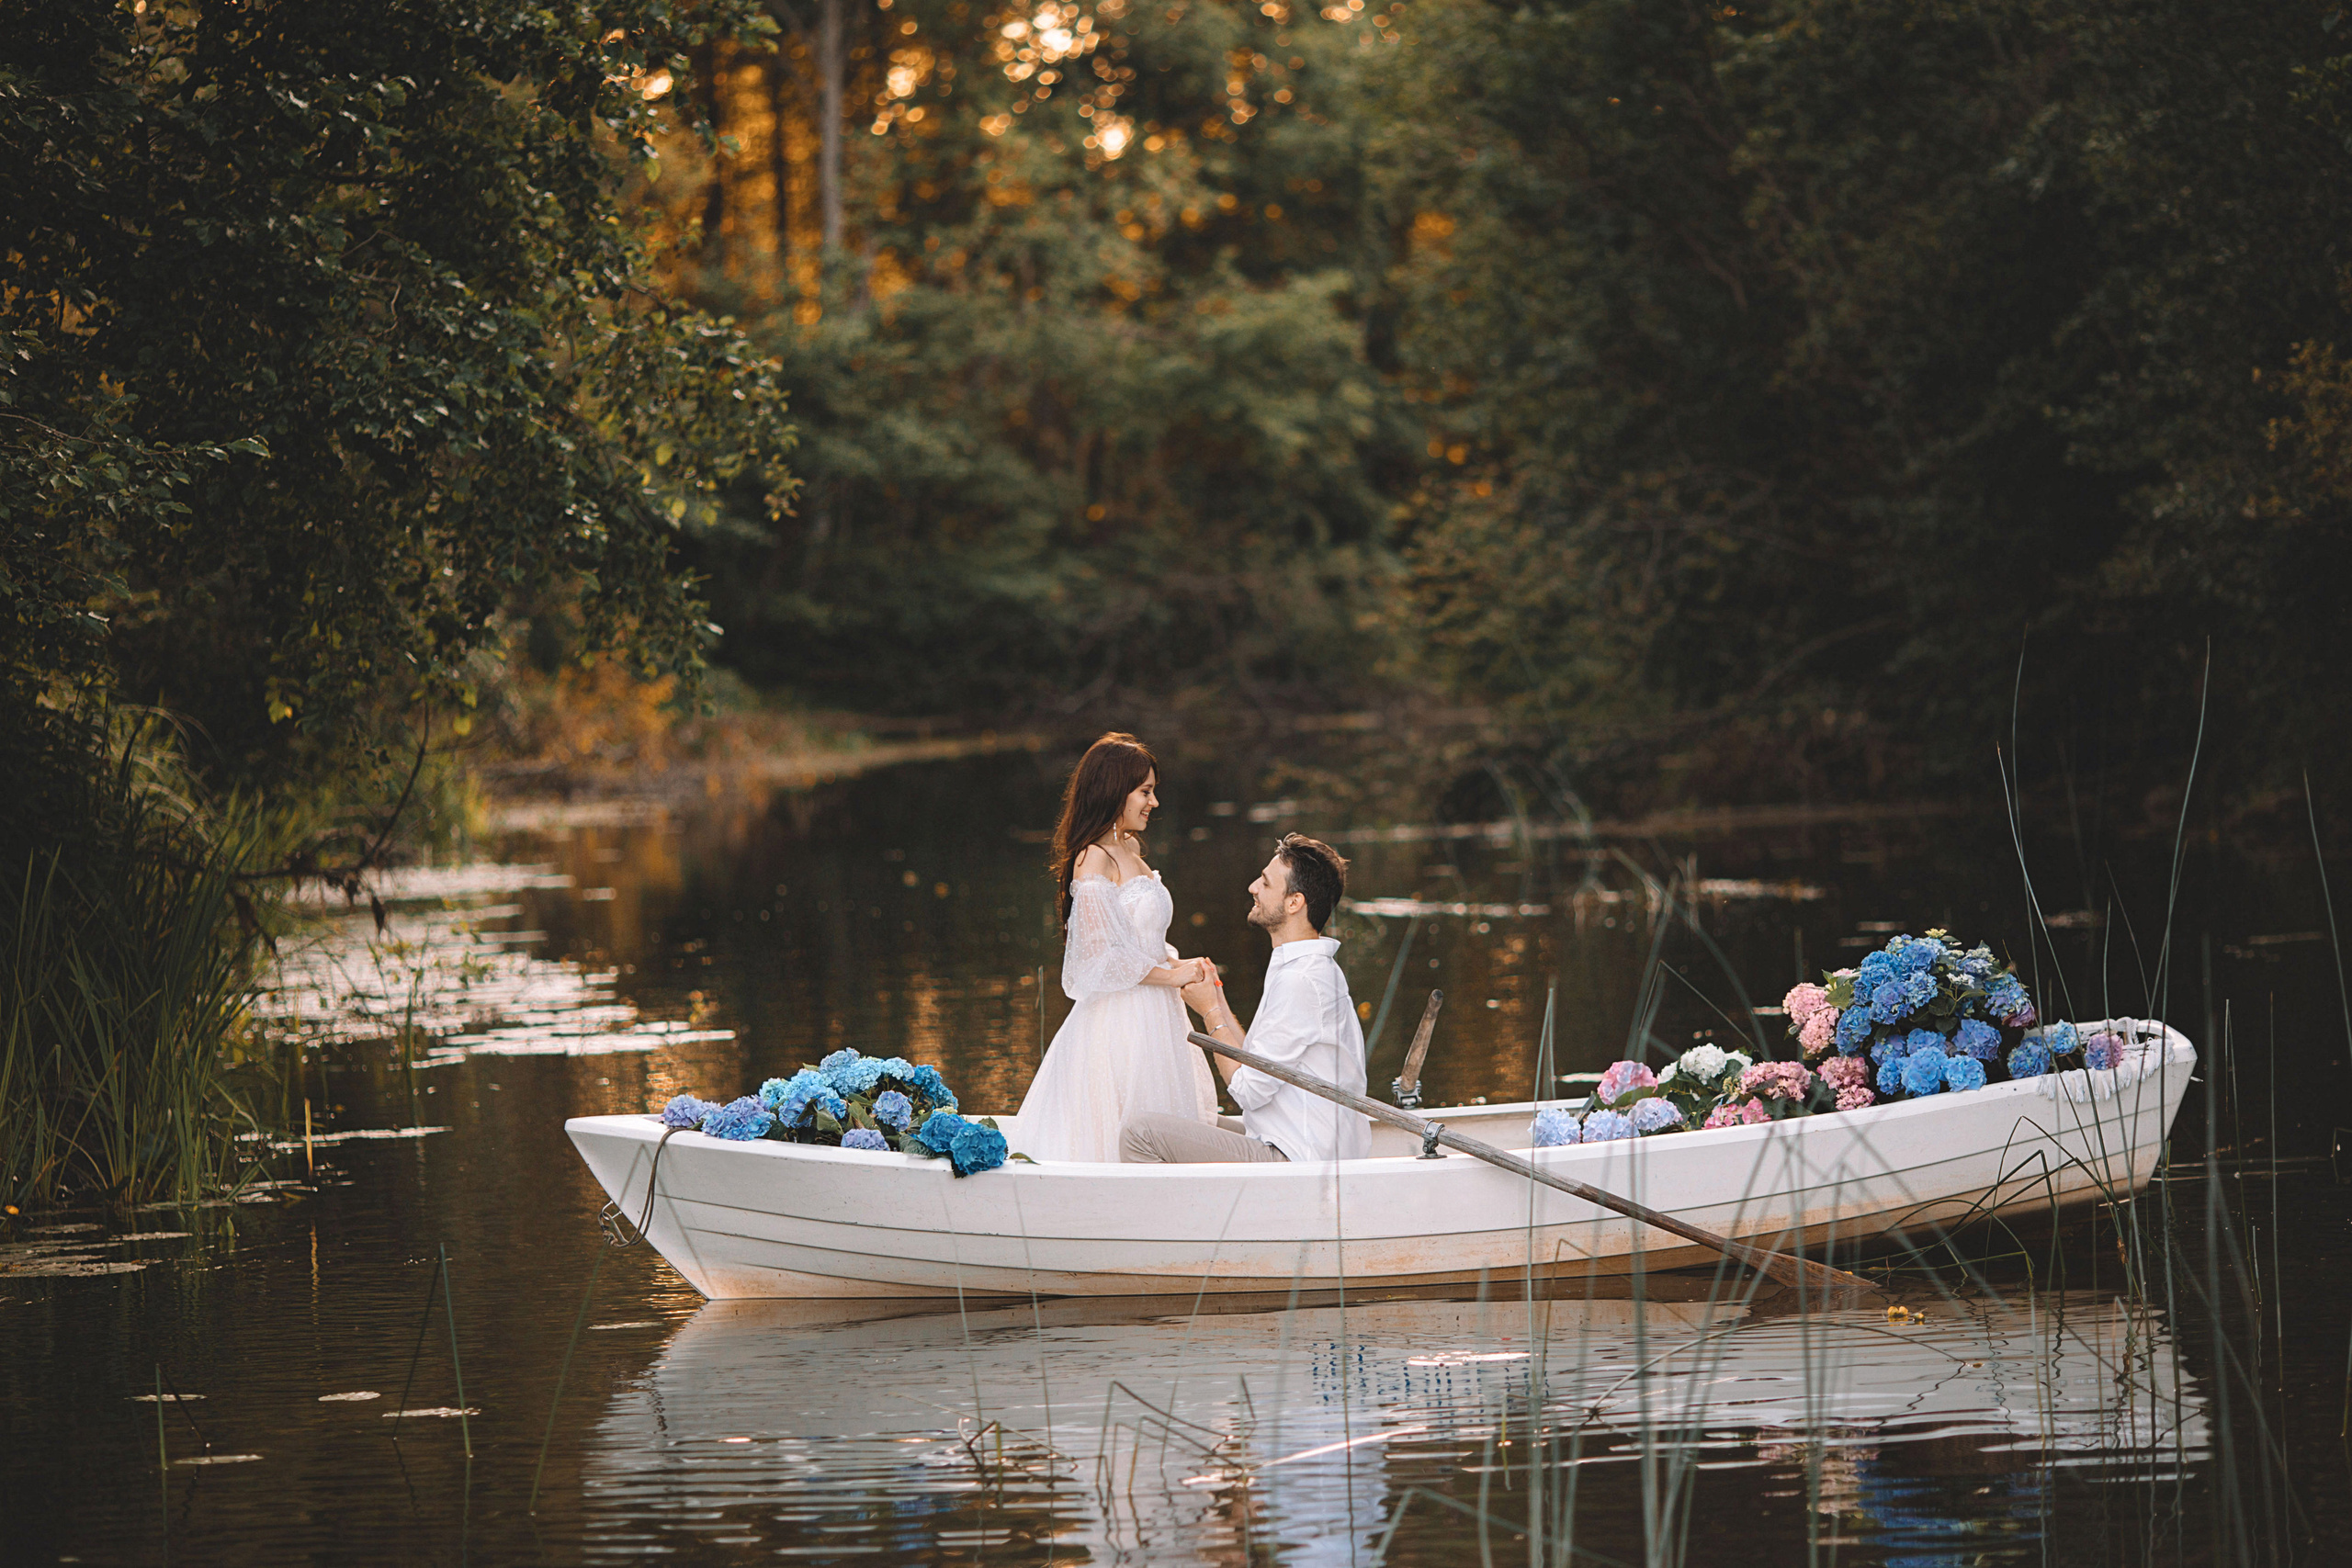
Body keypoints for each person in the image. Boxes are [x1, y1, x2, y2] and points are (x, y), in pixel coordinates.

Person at [1014, 733, 1220, 1162]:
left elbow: (1140, 943)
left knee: (1163, 1126)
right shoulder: (1093, 859)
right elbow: (1098, 958)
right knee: (1115, 1132)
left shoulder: (1129, 848)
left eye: (1153, 791)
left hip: (1157, 1016)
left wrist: (1182, 964)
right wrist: (1172, 976)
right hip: (1120, 1023)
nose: (1154, 802)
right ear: (1114, 790)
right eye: (1145, 791)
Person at [1119, 833, 1371, 1164]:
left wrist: (1209, 1011)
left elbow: (1248, 1090)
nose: (1253, 887)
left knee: (1140, 1134)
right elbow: (1255, 1063)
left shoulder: (1301, 980)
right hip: (1287, 1141)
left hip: (1297, 1159)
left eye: (1265, 883)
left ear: (1294, 903)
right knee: (1189, 1114)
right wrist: (1219, 999)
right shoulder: (1304, 967)